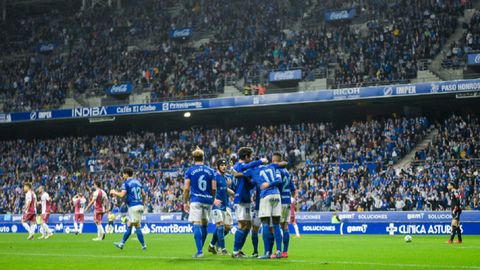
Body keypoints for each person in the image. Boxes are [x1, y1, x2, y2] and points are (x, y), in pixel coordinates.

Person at [231, 147, 267, 258]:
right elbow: (247, 166)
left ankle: (239, 250)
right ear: (246, 156)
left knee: (247, 225)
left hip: (244, 198)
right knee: (242, 224)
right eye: (249, 157)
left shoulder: (238, 168)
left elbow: (249, 184)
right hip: (241, 198)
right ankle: (235, 251)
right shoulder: (239, 166)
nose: (250, 159)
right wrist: (260, 161)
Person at [243, 163, 283, 259]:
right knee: (276, 224)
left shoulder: (254, 170)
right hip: (277, 196)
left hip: (266, 196)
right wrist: (270, 183)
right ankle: (278, 251)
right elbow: (279, 180)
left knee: (265, 224)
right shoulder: (274, 167)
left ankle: (267, 252)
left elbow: (242, 172)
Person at [184, 147, 217, 258]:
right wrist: (212, 199)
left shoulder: (190, 171)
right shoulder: (211, 171)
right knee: (204, 225)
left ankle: (199, 251)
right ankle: (201, 249)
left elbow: (186, 188)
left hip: (196, 200)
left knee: (196, 224)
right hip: (207, 200)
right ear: (203, 158)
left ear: (194, 158)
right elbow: (213, 188)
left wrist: (185, 202)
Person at [111, 167, 147, 250]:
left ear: (126, 174)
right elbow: (144, 194)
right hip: (140, 205)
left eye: (123, 174)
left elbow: (122, 195)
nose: (123, 176)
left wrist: (114, 192)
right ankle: (122, 244)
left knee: (137, 225)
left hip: (133, 206)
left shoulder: (126, 183)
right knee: (131, 224)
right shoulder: (138, 182)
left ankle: (143, 245)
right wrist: (143, 203)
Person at [208, 159, 234, 256]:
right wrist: (213, 200)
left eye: (225, 165)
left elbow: (224, 188)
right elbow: (210, 189)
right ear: (218, 166)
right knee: (220, 225)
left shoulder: (224, 177)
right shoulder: (214, 176)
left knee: (227, 228)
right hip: (216, 204)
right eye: (222, 165)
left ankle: (211, 245)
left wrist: (233, 193)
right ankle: (222, 249)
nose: (224, 166)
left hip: (225, 204)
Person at [273, 152, 296, 258]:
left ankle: (278, 250)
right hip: (287, 201)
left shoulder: (277, 170)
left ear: (276, 161)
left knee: (276, 226)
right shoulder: (287, 172)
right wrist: (294, 200)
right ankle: (285, 252)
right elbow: (293, 189)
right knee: (285, 227)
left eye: (273, 161)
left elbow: (277, 184)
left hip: (280, 200)